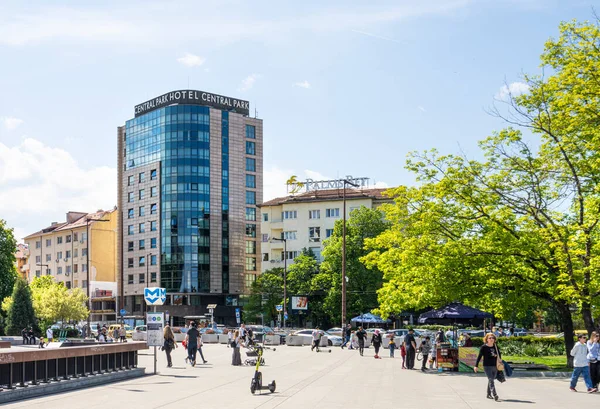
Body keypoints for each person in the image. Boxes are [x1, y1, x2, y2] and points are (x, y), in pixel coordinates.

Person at [474, 333, 502, 401]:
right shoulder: (484, 347)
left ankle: (488, 394)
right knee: (491, 379)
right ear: (486, 339)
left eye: (492, 338)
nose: (491, 339)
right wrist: (476, 366)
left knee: (491, 379)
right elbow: (479, 356)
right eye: (490, 338)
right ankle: (495, 394)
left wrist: (499, 361)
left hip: (495, 366)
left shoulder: (495, 346)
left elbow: (499, 355)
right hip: (487, 366)